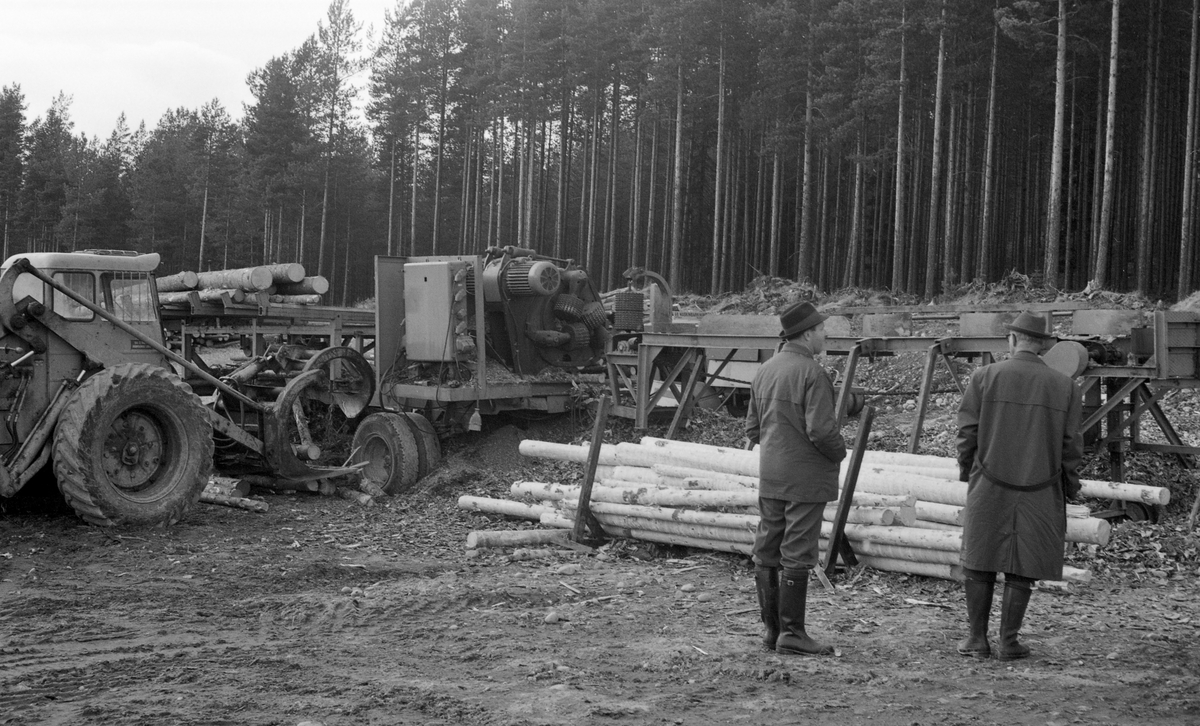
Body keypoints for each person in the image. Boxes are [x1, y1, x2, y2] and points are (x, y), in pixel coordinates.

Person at [955, 310, 1083, 661]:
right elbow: (1072, 445)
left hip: (990, 482)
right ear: (1043, 346)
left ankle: (976, 640)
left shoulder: (984, 377)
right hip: (1040, 487)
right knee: (1023, 563)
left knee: (980, 559)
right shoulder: (1065, 386)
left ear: (1011, 340)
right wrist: (1070, 486)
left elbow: (967, 433)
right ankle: (1009, 642)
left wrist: (968, 472)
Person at [745, 300, 846, 656]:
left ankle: (772, 632)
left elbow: (752, 428)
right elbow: (821, 431)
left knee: (767, 547)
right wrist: (840, 452)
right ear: (807, 334)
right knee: (798, 552)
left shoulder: (765, 370)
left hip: (771, 474)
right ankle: (793, 633)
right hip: (805, 478)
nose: (824, 334)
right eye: (821, 329)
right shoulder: (812, 373)